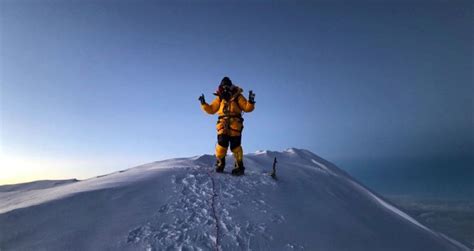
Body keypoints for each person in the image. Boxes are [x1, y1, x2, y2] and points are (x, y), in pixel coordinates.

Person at [199, 77, 256, 175]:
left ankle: (239, 167)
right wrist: (204, 104)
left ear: (231, 85)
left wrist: (250, 101)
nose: (225, 87)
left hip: (235, 124)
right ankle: (220, 164)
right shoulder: (219, 98)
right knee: (222, 144)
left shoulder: (238, 96)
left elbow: (247, 108)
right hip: (223, 124)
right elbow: (212, 109)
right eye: (223, 85)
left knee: (236, 146)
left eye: (227, 85)